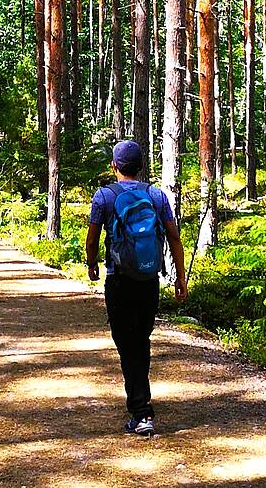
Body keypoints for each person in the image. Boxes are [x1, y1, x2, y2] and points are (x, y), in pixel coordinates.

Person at [85, 139, 188, 437]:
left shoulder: (104, 197)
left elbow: (92, 239)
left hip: (119, 279)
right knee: (140, 339)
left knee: (127, 342)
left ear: (114, 166)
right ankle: (141, 400)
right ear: (141, 166)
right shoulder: (156, 196)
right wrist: (180, 277)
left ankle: (141, 411)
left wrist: (91, 264)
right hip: (149, 279)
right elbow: (174, 238)